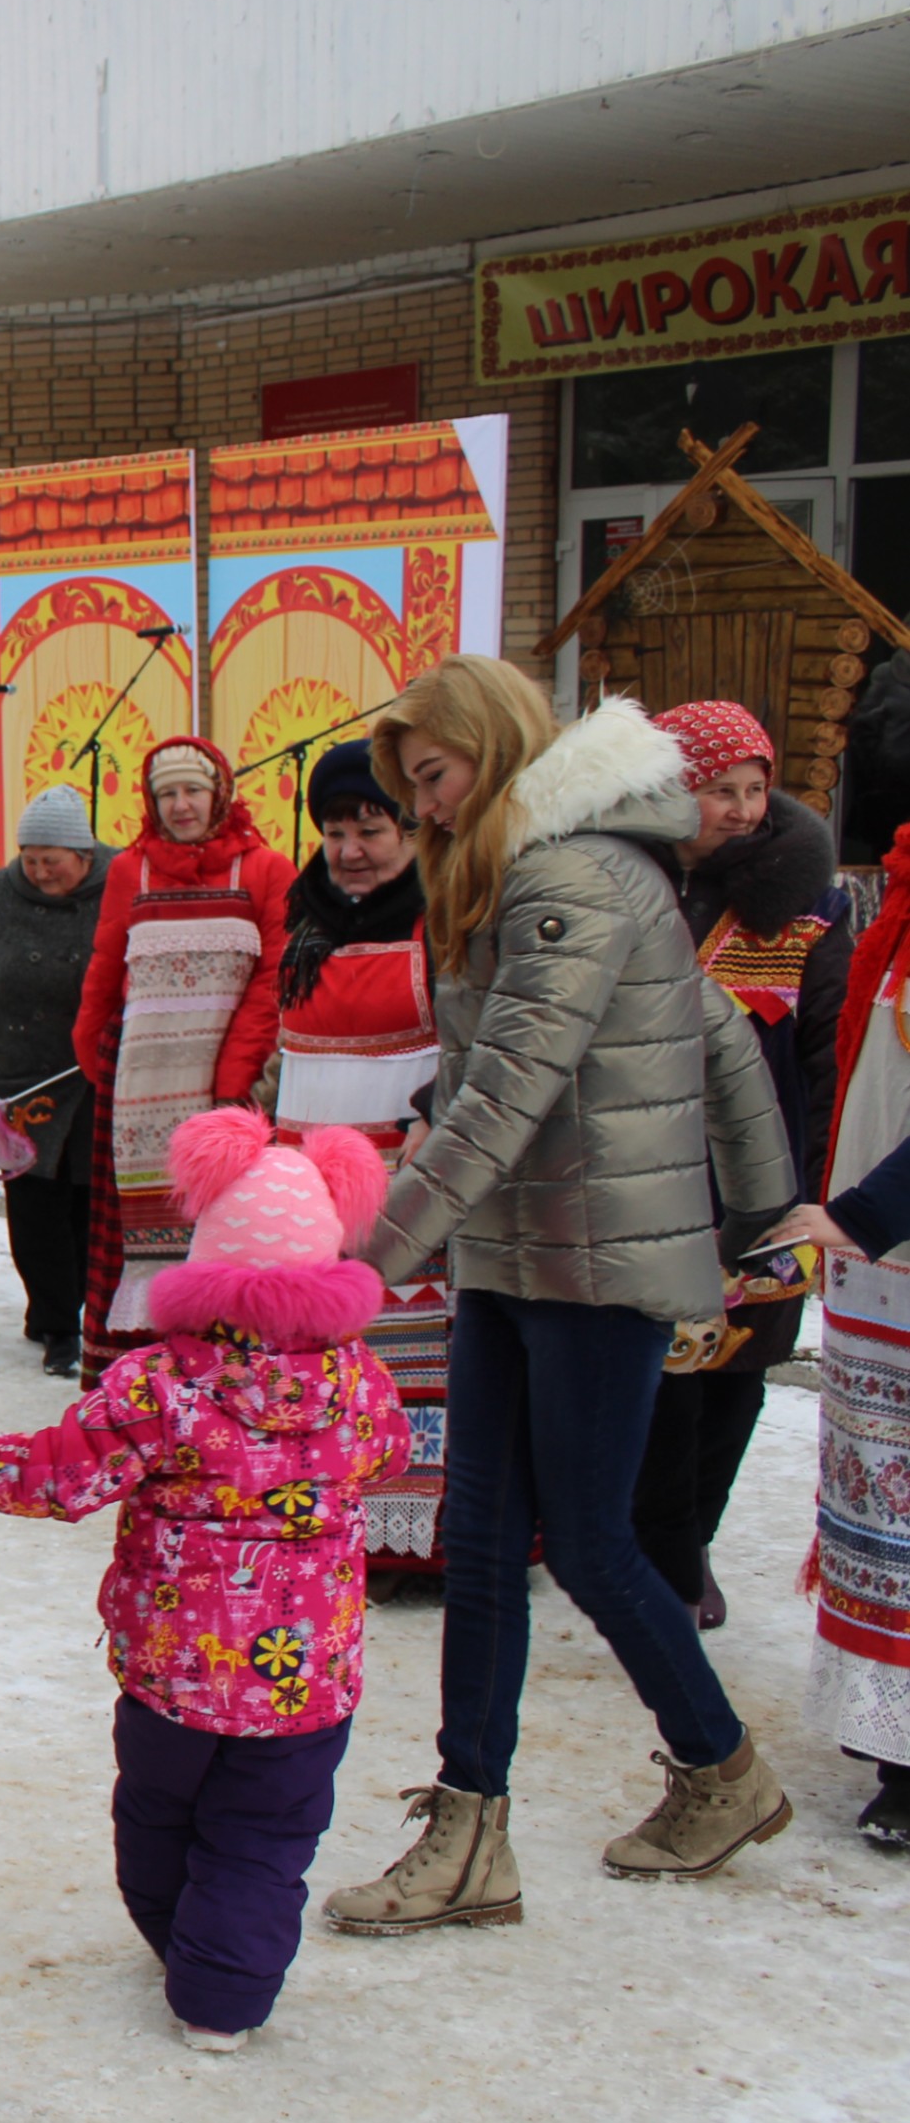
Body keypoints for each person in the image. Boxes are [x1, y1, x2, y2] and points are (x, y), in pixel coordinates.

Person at [328, 663, 795, 1934]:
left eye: (433, 778)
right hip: (517, 1252)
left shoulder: (569, 877)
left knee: (587, 1541)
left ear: (493, 741)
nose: (422, 810)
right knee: (482, 1544)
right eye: (408, 789)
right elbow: (712, 1032)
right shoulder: (547, 866)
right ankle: (474, 1832)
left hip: (596, 1260)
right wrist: (767, 1200)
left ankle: (721, 1770)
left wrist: (366, 1264)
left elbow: (507, 1093)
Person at [0, 1108, 409, 2051]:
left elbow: (59, 1477)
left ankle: (177, 1939)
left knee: (157, 1814)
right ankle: (220, 1991)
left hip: (174, 1674)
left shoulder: (160, 1385)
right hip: (306, 1681)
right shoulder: (361, 1384)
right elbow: (385, 1460)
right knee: (266, 1841)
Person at [630, 700, 847, 1631]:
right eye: (720, 790)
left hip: (761, 1188)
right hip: (645, 1181)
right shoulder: (632, 885)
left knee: (738, 1368)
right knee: (659, 1374)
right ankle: (661, 1553)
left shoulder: (802, 907)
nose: (742, 809)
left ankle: (690, 1545)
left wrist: (814, 1185)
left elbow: (826, 1053)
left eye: (755, 789)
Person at [262, 743, 450, 1590]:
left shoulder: (441, 919)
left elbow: (472, 1047)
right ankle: (325, 1525)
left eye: (368, 828)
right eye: (334, 830)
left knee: (410, 1366)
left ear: (408, 828)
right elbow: (283, 1046)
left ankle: (423, 1547)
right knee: (323, 1366)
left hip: (407, 1182)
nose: (349, 850)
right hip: (308, 1185)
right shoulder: (303, 919)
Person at [72, 735, 292, 1379]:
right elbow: (106, 964)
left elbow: (273, 978)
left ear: (219, 792)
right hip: (140, 1084)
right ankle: (139, 1379)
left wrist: (235, 1079)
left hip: (225, 1085)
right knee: (138, 1231)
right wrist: (92, 1046)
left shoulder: (266, 869)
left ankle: (220, 1376)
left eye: (193, 789)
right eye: (167, 793)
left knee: (220, 1226)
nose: (181, 805)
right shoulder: (128, 870)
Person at [0, 784, 109, 1377]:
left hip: (88, 1072)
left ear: (83, 855)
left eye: (50, 861)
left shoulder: (121, 885)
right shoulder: (0, 892)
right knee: (34, 1205)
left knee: (85, 1201)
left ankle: (72, 1307)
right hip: (16, 1071)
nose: (38, 872)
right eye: (29, 859)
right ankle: (57, 1324)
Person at [767, 1108, 910, 1847]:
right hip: (876, 1265)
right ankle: (893, 1737)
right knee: (882, 1506)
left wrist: (861, 1212)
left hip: (877, 1230)